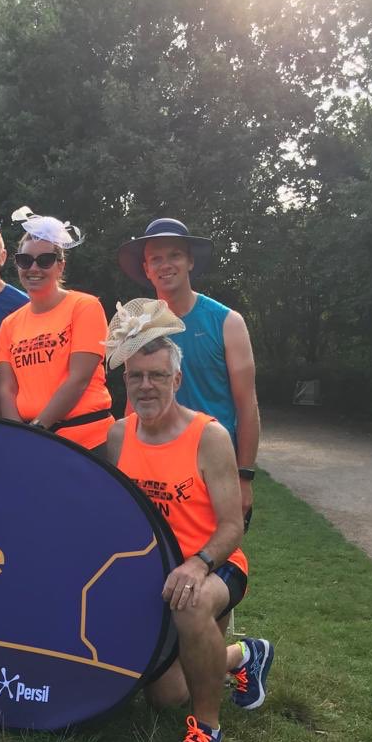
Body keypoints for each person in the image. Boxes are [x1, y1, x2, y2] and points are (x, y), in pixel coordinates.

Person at [105, 299, 273, 742]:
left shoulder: (208, 437)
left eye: (157, 375)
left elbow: (232, 526)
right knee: (166, 696)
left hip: (217, 563)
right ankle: (244, 655)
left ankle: (207, 733)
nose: (146, 385)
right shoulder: (119, 436)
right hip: (155, 569)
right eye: (136, 376)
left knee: (190, 601)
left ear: (176, 379)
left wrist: (198, 563)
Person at [118, 219, 259, 522]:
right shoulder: (138, 327)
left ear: (190, 261)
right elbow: (134, 399)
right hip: (153, 464)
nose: (165, 265)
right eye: (156, 258)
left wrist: (245, 476)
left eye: (175, 255)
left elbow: (247, 405)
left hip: (211, 462)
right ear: (146, 268)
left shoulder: (227, 322)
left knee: (216, 545)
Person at [0, 210, 114, 456]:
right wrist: (21, 436)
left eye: (45, 260)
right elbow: (7, 388)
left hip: (87, 442)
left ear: (60, 266)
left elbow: (79, 378)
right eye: (25, 260)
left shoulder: (85, 307)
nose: (34, 268)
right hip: (33, 444)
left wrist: (39, 428)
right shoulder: (9, 324)